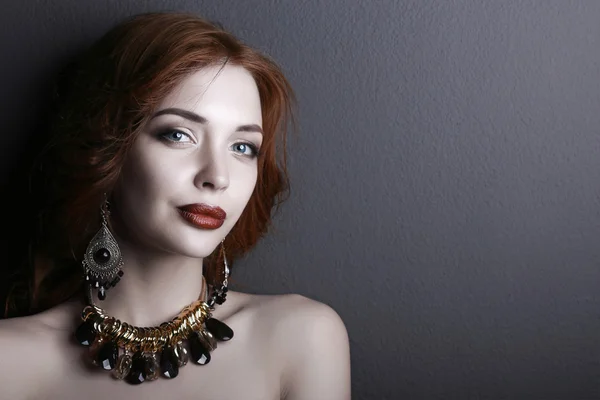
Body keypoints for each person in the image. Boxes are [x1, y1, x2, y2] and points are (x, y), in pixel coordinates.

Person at [0, 11, 351, 399]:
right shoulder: (9, 360)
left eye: (242, 147)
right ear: (108, 154)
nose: (217, 176)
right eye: (179, 135)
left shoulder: (301, 339)